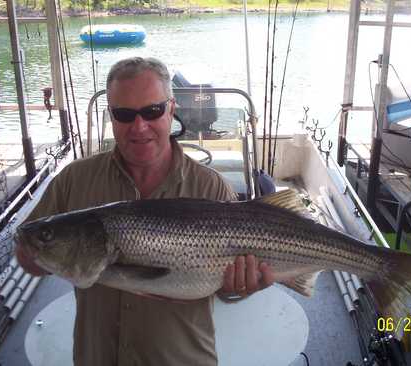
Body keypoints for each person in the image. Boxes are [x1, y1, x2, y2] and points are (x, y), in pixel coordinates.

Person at [15, 57, 274, 365]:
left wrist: (242, 287)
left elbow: (226, 293)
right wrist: (49, 255)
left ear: (171, 109)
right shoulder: (74, 180)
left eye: (152, 111)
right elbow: (26, 250)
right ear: (111, 116)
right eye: (124, 114)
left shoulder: (211, 188)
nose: (139, 127)